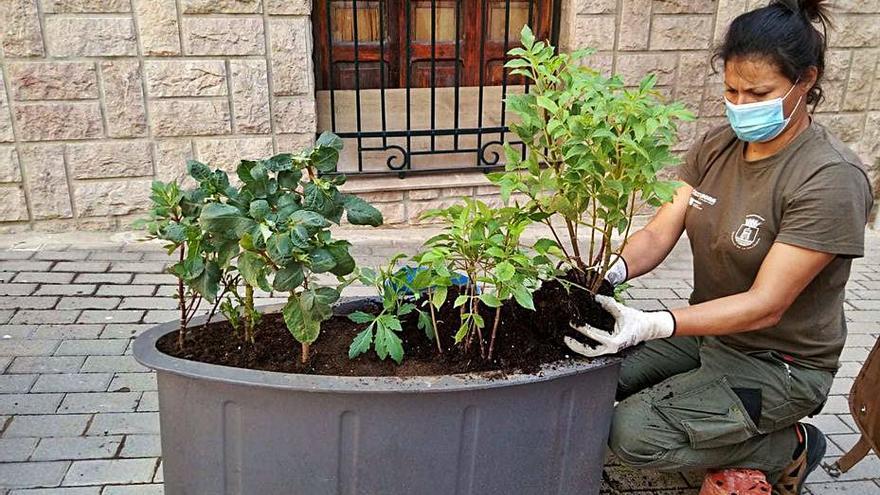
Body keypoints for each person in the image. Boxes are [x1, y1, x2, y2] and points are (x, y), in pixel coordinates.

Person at [563, 0, 874, 493]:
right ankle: (718, 424)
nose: (742, 105)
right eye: (731, 89)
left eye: (759, 92)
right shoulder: (717, 144)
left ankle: (790, 445)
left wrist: (654, 323)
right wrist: (605, 275)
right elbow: (657, 234)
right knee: (590, 374)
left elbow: (766, 306)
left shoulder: (829, 178)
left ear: (806, 81)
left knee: (632, 434)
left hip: (780, 364)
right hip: (710, 333)